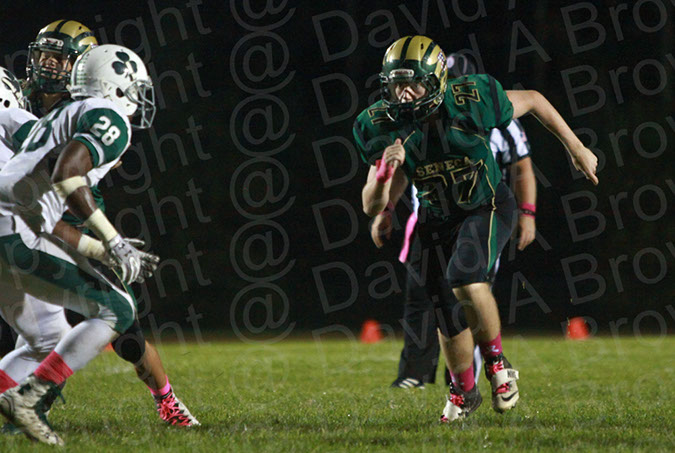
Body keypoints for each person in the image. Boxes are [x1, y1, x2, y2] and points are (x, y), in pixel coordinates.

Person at [354, 35, 598, 422]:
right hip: (435, 216)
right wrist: (384, 174)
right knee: (445, 313)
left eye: (412, 84)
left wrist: (576, 147)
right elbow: (371, 204)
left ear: (436, 81)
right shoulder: (383, 123)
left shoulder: (472, 98)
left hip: (486, 204)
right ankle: (464, 391)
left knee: (465, 277)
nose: (403, 95)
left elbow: (534, 99)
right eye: (396, 84)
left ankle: (498, 365)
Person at [7, 20, 199, 428]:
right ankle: (30, 399)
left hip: (70, 210)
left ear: (82, 67)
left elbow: (75, 171)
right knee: (47, 330)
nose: (48, 64)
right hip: (26, 213)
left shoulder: (89, 106)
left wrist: (103, 242)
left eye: (59, 58)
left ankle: (165, 398)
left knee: (125, 329)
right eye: (44, 55)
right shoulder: (16, 98)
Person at [374, 54, 537, 389]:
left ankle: (474, 375)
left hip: (479, 213)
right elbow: (402, 171)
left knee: (468, 290)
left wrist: (528, 213)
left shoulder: (489, 112)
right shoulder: (413, 118)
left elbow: (522, 164)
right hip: (430, 216)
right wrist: (385, 208)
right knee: (426, 297)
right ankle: (420, 375)